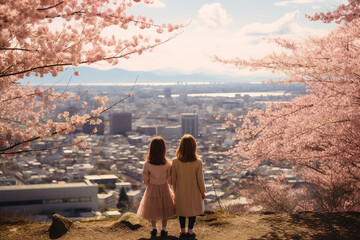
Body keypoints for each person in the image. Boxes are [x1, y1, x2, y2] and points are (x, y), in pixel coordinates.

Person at [137, 136, 175, 238]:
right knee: (165, 208)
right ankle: (164, 229)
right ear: (164, 149)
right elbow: (170, 180)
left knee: (152, 208)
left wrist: (150, 186)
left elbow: (145, 179)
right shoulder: (167, 164)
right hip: (164, 188)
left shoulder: (147, 164)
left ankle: (153, 228)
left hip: (152, 188)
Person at [172, 134, 206, 238]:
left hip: (180, 190)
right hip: (194, 190)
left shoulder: (175, 162)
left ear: (180, 146)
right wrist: (202, 191)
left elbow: (173, 179)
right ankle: (190, 232)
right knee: (192, 210)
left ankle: (183, 231)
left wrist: (174, 191)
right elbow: (200, 179)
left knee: (181, 210)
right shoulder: (198, 162)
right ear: (193, 147)